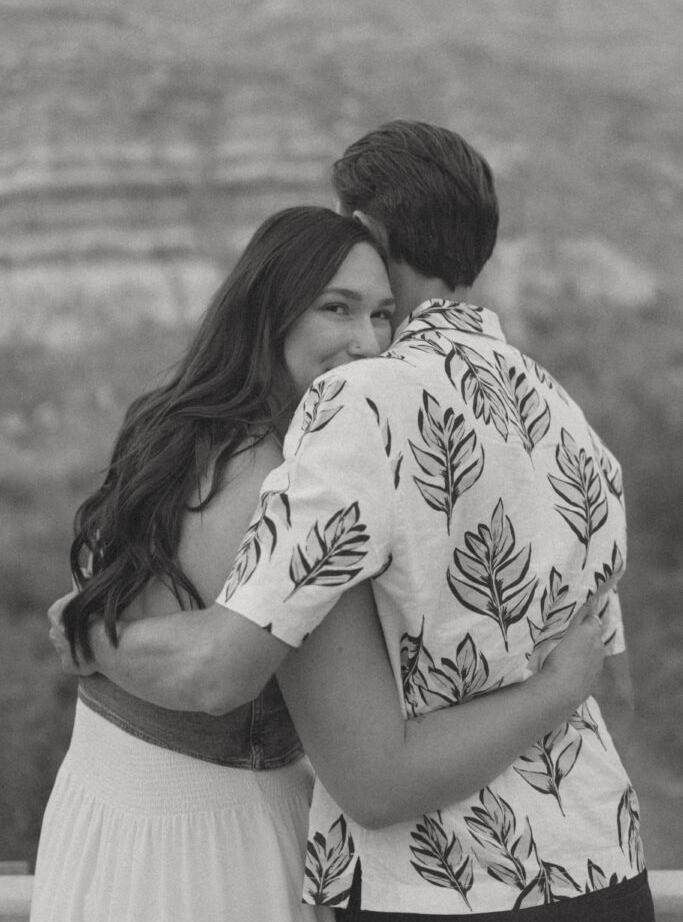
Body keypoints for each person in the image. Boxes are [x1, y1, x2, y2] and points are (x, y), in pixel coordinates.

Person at [48, 119, 651, 920]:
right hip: (603, 869)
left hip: (443, 891)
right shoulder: (564, 416)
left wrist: (87, 631)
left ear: (364, 228)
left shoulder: (358, 401)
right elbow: (608, 679)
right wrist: (560, 688)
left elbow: (233, 675)